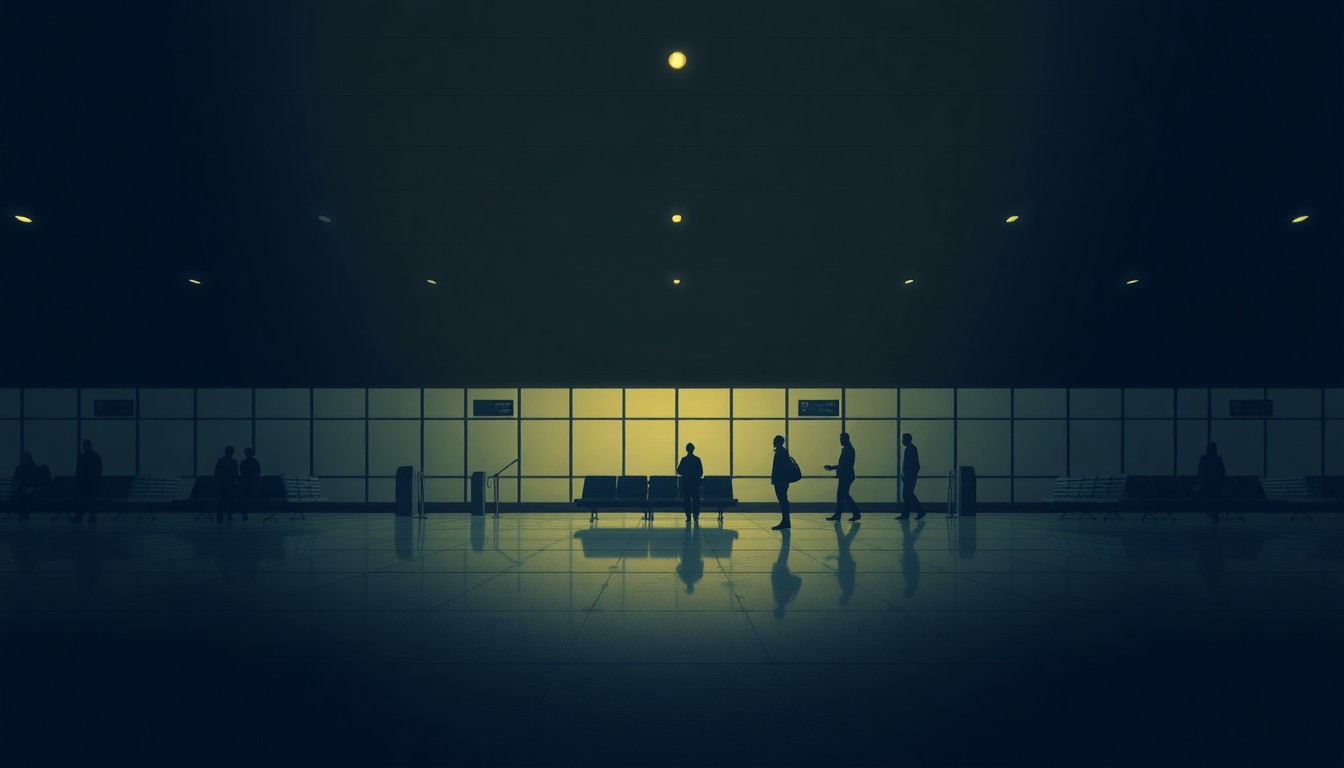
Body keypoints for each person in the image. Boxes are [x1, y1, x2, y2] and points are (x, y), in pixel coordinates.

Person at [824, 432, 861, 522]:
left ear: (846, 439)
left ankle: (855, 514)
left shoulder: (848, 450)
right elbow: (844, 464)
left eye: (841, 439)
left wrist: (832, 467)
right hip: (846, 475)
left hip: (846, 475)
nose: (840, 441)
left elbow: (844, 464)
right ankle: (841, 514)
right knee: (842, 494)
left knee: (843, 494)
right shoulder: (847, 449)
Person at [71, 439, 102, 523]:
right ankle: (92, 516)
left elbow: (78, 471)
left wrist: (77, 482)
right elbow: (99, 470)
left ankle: (79, 516)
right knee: (92, 500)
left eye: (84, 445)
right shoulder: (96, 456)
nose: (83, 447)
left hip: (83, 482)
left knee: (81, 500)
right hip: (92, 482)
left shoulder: (81, 457)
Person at [897, 433, 924, 520]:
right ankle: (919, 512)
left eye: (903, 439)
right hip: (910, 476)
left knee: (906, 494)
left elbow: (914, 465)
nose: (902, 441)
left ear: (908, 440)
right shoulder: (910, 448)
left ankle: (907, 514)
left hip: (910, 476)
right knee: (909, 494)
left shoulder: (910, 449)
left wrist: (909, 475)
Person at [1197, 441, 1226, 523]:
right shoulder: (1218, 459)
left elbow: (1199, 472)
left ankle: (1211, 511)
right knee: (1214, 495)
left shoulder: (1204, 459)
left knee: (1210, 494)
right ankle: (1214, 512)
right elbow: (1222, 472)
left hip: (1208, 484)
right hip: (1215, 485)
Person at [11, 452, 45, 521]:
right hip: (23, 488)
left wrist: (35, 488)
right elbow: (17, 480)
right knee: (20, 493)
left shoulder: (34, 469)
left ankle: (24, 514)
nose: (25, 460)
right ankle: (24, 514)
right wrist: (14, 488)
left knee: (24, 493)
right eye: (24, 458)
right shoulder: (19, 468)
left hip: (32, 488)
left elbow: (37, 482)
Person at [770, 435, 794, 530]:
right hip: (782, 481)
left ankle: (785, 521)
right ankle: (786, 521)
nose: (773, 442)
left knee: (783, 501)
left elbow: (779, 469)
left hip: (780, 481)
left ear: (779, 442)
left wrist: (775, 480)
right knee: (783, 501)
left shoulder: (780, 453)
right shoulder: (783, 452)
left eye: (774, 440)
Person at [676, 443, 703, 524]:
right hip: (695, 483)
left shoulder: (684, 460)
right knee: (696, 500)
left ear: (686, 449)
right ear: (693, 449)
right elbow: (701, 472)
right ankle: (696, 516)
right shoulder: (697, 459)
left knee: (687, 500)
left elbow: (679, 471)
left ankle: (688, 516)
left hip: (686, 482)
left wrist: (686, 472)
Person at [214, 446, 239, 524]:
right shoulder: (234, 462)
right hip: (231, 484)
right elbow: (236, 473)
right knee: (230, 500)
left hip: (222, 484)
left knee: (221, 500)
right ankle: (229, 515)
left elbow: (216, 472)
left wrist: (218, 482)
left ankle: (220, 516)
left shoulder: (221, 461)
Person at [238, 447, 261, 521]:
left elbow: (242, 473)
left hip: (245, 484)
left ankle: (244, 514)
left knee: (243, 499)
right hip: (252, 483)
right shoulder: (255, 462)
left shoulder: (244, 463)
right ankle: (245, 513)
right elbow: (258, 472)